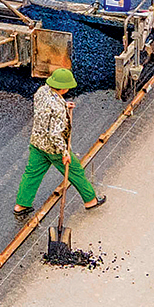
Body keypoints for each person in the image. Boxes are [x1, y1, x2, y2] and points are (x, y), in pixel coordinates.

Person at [13, 68, 104, 216]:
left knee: (31, 174)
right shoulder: (57, 107)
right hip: (54, 149)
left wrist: (64, 105)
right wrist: (64, 152)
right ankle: (90, 200)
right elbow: (54, 134)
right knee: (75, 171)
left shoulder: (42, 91)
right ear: (63, 88)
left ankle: (21, 205)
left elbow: (46, 110)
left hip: (37, 143)